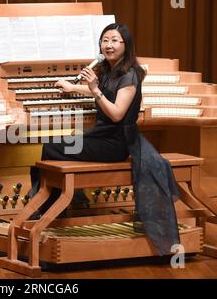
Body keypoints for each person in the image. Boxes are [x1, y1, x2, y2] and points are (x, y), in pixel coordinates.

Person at [28, 23, 181, 255]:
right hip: (106, 136)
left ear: (125, 45)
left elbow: (117, 112)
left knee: (52, 147)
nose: (108, 45)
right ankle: (56, 204)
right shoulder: (111, 69)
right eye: (105, 40)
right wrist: (73, 87)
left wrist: (94, 89)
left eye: (114, 40)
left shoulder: (130, 74)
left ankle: (51, 207)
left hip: (117, 143)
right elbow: (102, 90)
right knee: (55, 145)